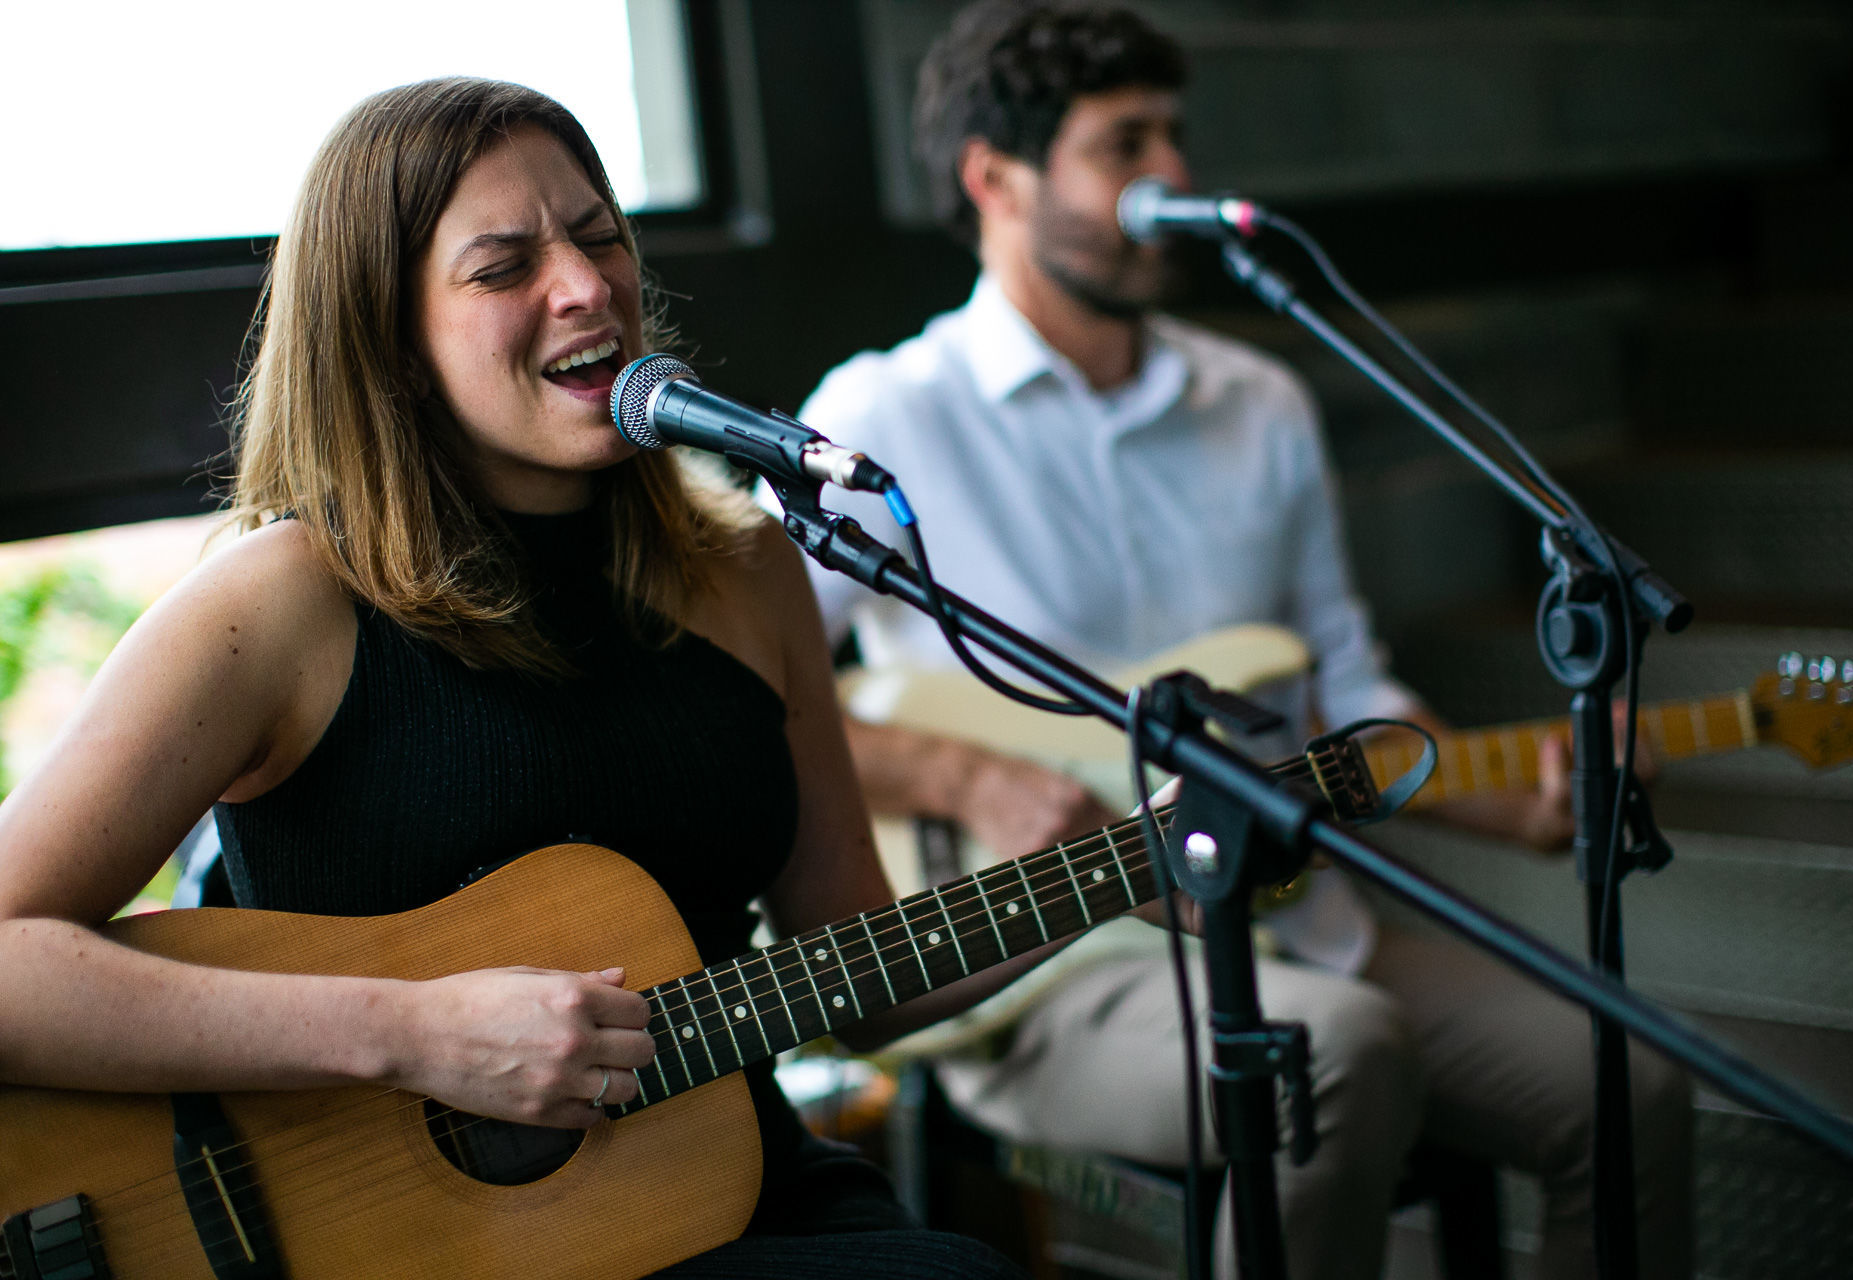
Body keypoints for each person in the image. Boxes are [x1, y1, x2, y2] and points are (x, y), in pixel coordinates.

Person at [0, 77, 1075, 1279]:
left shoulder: (750, 567)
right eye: (504, 265)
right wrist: (411, 1034)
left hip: (728, 1196)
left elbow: (855, 965)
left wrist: (1134, 866)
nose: (584, 286)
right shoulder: (282, 601)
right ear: (390, 342)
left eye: (601, 236)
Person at [770, 5, 1694, 1278]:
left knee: (1631, 1081)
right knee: (1335, 1056)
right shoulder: (879, 415)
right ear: (996, 177)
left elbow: (1346, 690)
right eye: (1124, 144)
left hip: (1295, 920)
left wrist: (1523, 789)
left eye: (1176, 138)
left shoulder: (1258, 404)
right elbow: (755, 698)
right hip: (1046, 967)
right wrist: (963, 776)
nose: (1177, 179)